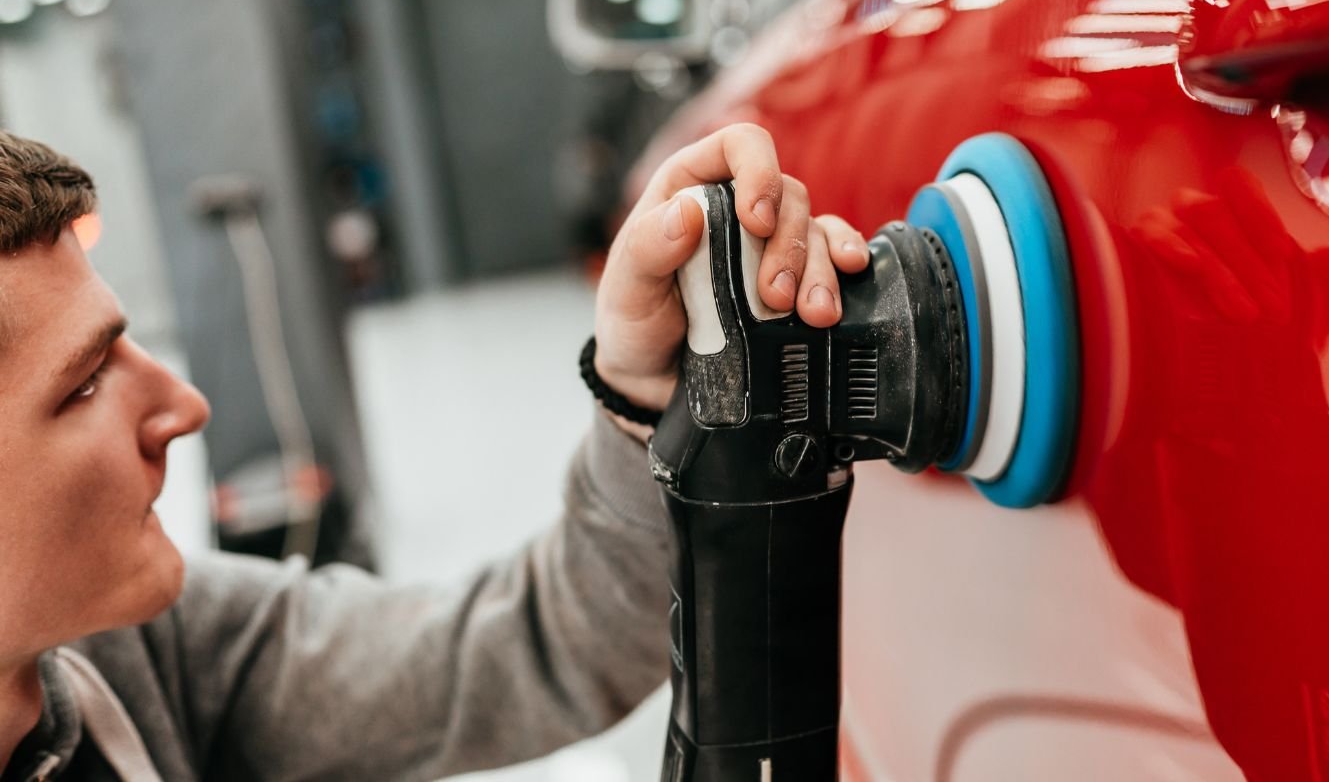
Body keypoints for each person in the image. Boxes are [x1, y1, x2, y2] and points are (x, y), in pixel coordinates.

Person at [0, 123, 870, 781]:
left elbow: (536, 644)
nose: (184, 408)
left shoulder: (156, 654)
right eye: (84, 384)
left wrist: (648, 394)